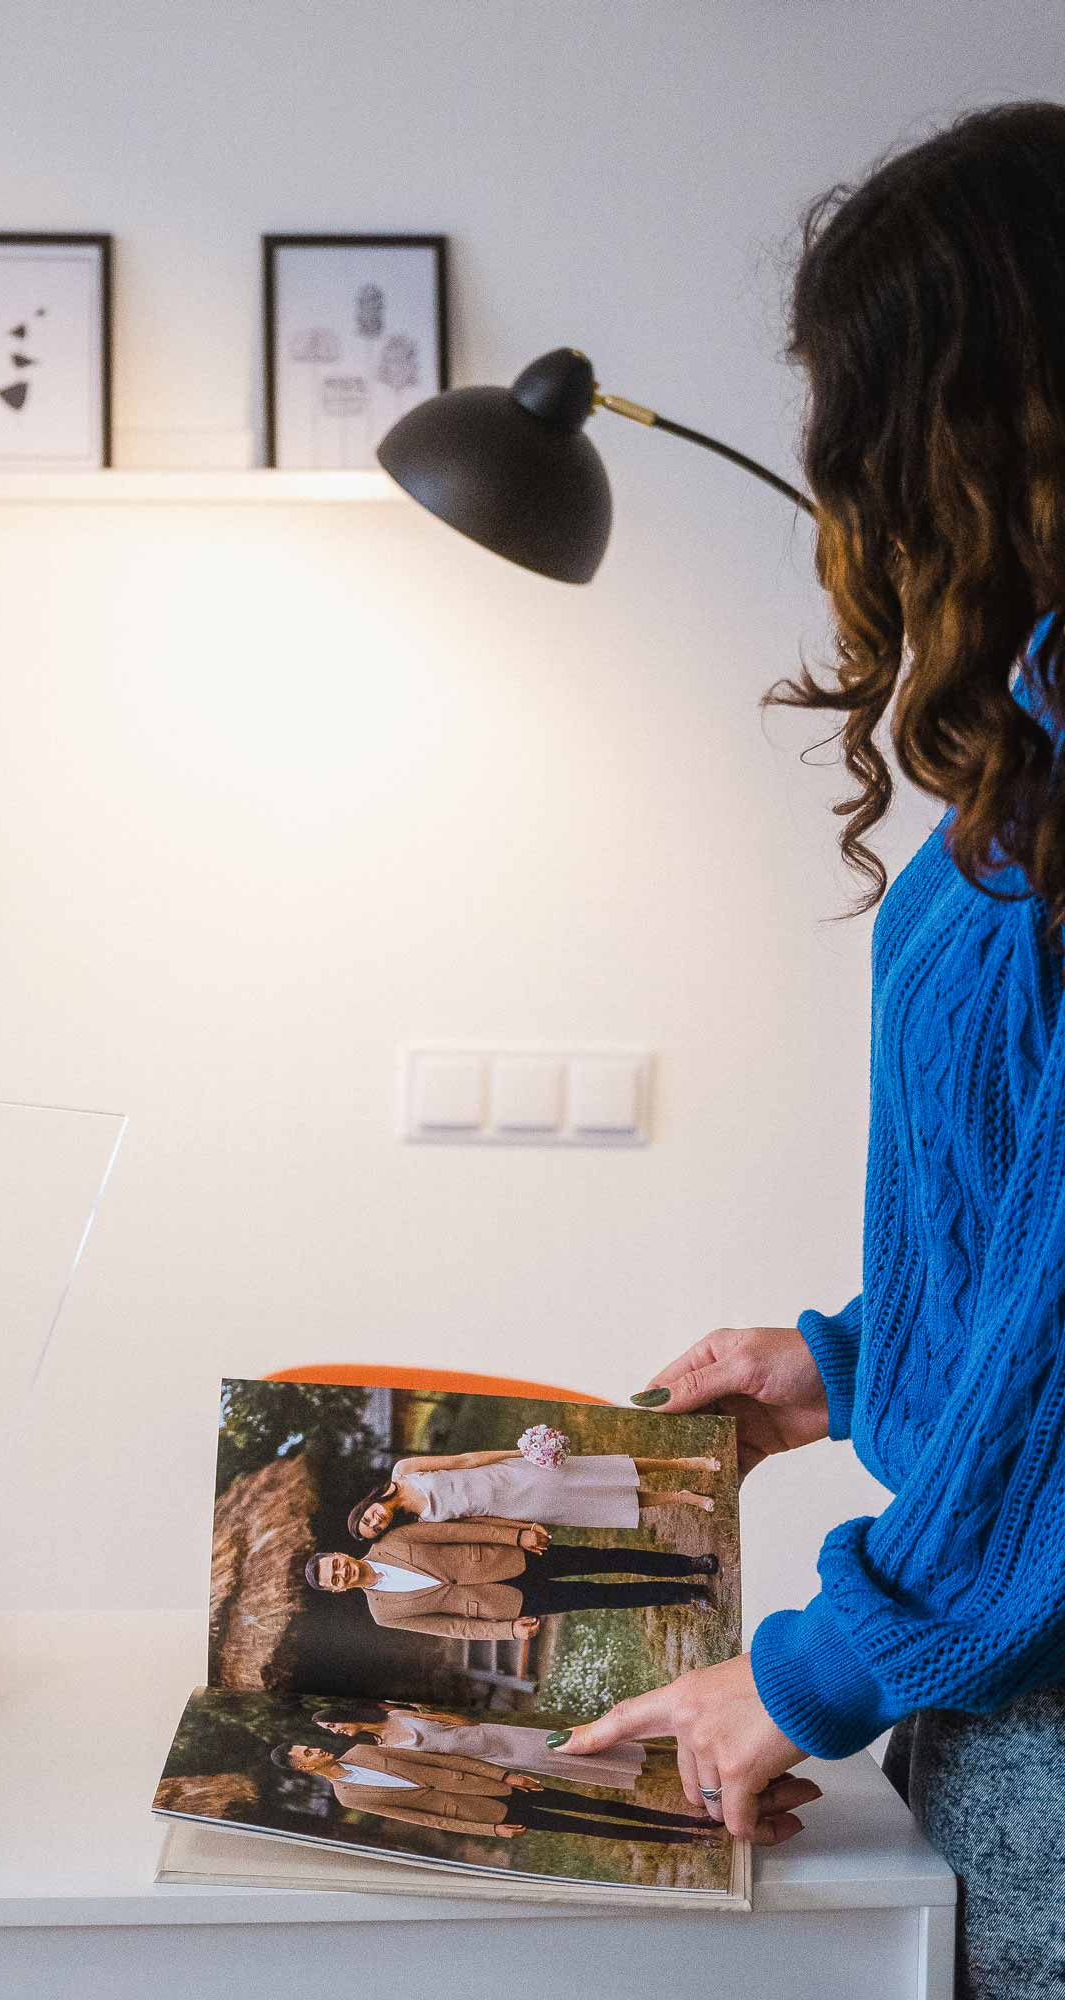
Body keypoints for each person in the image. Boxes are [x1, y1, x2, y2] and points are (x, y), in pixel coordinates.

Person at [548, 103, 1065, 1999]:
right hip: (1006, 1684)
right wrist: (853, 1361)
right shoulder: (1033, 746)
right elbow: (1034, 1217)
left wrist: (805, 1676)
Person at [304, 1518, 716, 1641]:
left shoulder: (394, 1539)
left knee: (603, 1557)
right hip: (508, 1605)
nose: (342, 1571)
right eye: (334, 1579)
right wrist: (507, 1632)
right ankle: (685, 1595)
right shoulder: (384, 1615)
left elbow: (458, 1532)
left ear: (341, 1555)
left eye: (335, 1564)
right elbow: (453, 1628)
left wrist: (514, 1535)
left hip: (510, 1558)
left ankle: (689, 1564)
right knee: (599, 1596)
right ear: (338, 1590)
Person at [269, 1739, 734, 1847]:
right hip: (480, 1811)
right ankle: (684, 1838)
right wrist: (489, 1827)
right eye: (306, 1755)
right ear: (306, 1769)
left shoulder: (361, 1748)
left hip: (490, 1784)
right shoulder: (351, 1799)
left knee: (587, 1802)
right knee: (584, 1826)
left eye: (308, 1745)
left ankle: (691, 1820)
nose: (314, 1749)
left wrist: (504, 1776)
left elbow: (441, 1763)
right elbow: (426, 1818)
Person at [346, 1446, 719, 1542]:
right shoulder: (423, 1519)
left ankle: (685, 1463)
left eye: (367, 1518)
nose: (375, 1521)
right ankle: (683, 1497)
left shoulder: (404, 1472)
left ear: (368, 1506)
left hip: (511, 1474)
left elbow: (464, 1459)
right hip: (520, 1505)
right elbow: (479, 1520)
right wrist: (519, 1528)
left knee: (603, 1471)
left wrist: (516, 1454)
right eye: (374, 1529)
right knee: (605, 1504)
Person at [312, 1698, 648, 1791]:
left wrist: (471, 1730)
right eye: (330, 1729)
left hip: (486, 1736)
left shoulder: (397, 1713)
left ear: (345, 1714)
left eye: (334, 1723)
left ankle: (642, 1747)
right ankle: (636, 1768)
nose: (336, 1730)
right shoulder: (383, 1747)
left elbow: (450, 1719)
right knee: (558, 1762)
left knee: (556, 1744)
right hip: (486, 1756)